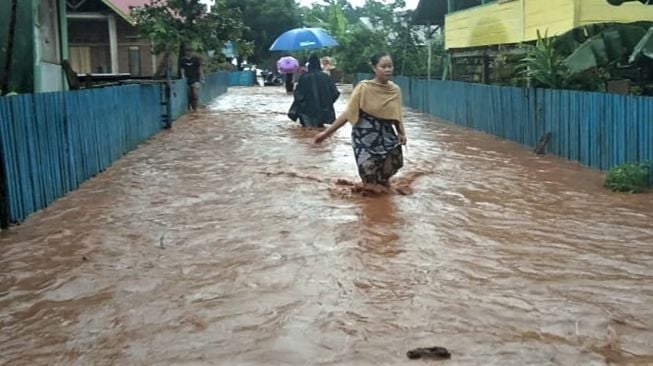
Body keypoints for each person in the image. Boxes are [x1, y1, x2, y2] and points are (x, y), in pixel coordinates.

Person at [314, 52, 406, 187]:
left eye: (390, 66)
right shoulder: (363, 88)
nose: (387, 70)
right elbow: (348, 114)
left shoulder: (395, 90)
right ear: (374, 68)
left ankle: (383, 201)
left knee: (388, 171)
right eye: (383, 66)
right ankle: (371, 205)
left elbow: (396, 114)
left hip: (386, 136)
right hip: (364, 137)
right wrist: (326, 133)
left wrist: (401, 132)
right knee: (368, 175)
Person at [288, 54, 340, 128]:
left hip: (306, 112)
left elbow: (298, 94)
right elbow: (335, 93)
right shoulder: (326, 77)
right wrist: (327, 102)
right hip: (323, 111)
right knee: (320, 131)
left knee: (306, 132)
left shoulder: (304, 77)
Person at [180, 47, 203, 111]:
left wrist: (202, 77)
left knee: (195, 94)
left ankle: (195, 108)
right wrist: (183, 76)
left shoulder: (195, 59)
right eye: (187, 51)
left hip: (196, 78)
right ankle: (190, 107)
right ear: (185, 52)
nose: (188, 53)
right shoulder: (183, 60)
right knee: (189, 94)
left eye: (190, 51)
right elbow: (182, 69)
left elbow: (199, 68)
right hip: (187, 79)